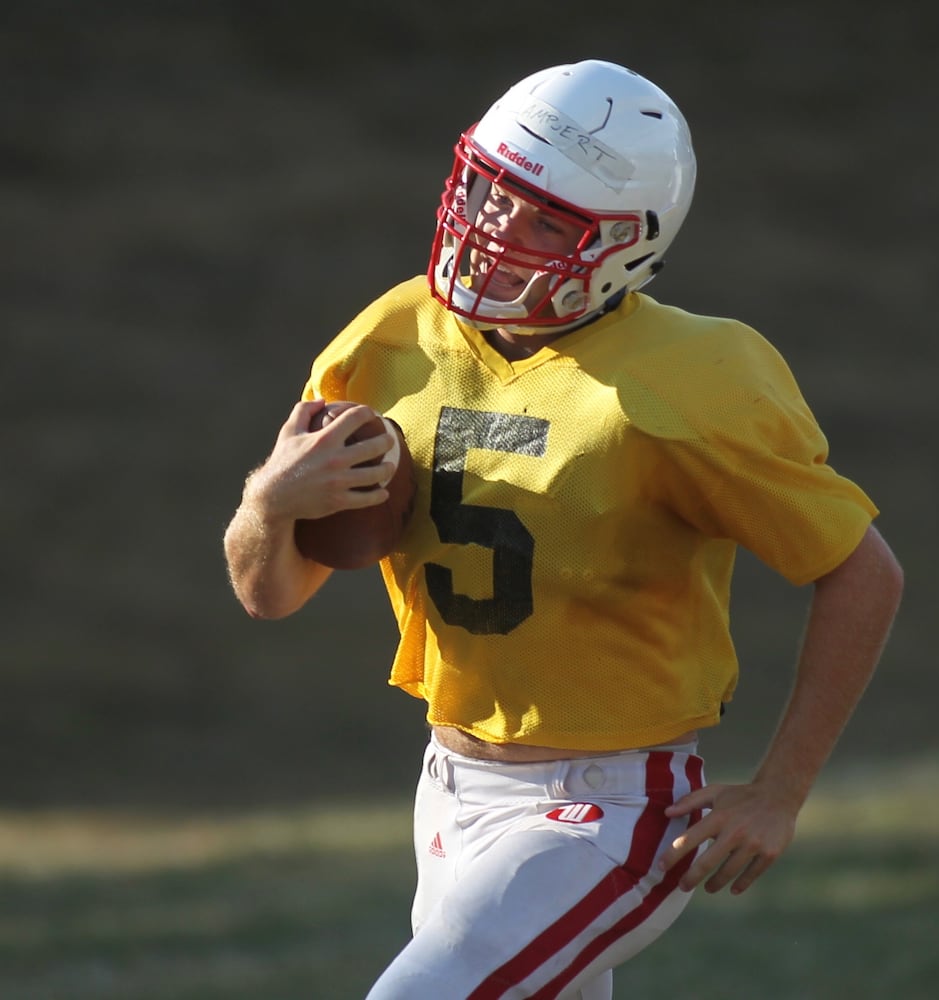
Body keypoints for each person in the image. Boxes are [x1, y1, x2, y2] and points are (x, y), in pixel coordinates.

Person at [223, 59, 904, 999]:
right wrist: (268, 504)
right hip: (449, 785)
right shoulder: (392, 334)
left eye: (546, 217)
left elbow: (863, 572)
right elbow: (270, 593)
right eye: (492, 191)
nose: (498, 228)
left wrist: (780, 790)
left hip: (610, 807)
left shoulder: (692, 377)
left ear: (626, 246)